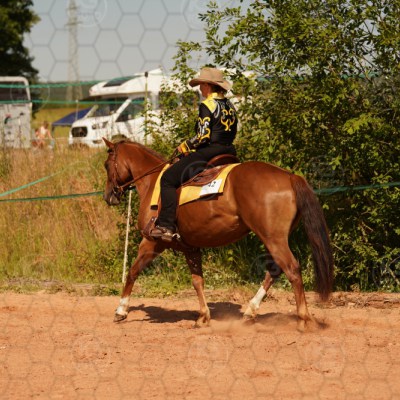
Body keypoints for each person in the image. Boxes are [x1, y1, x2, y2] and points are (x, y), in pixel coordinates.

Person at [150, 67, 238, 242]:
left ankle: (166, 226)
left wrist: (185, 146)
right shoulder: (230, 105)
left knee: (168, 179)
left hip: (209, 152)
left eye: (201, 85)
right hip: (230, 151)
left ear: (208, 85)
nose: (199, 88)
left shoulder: (207, 105)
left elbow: (203, 136)